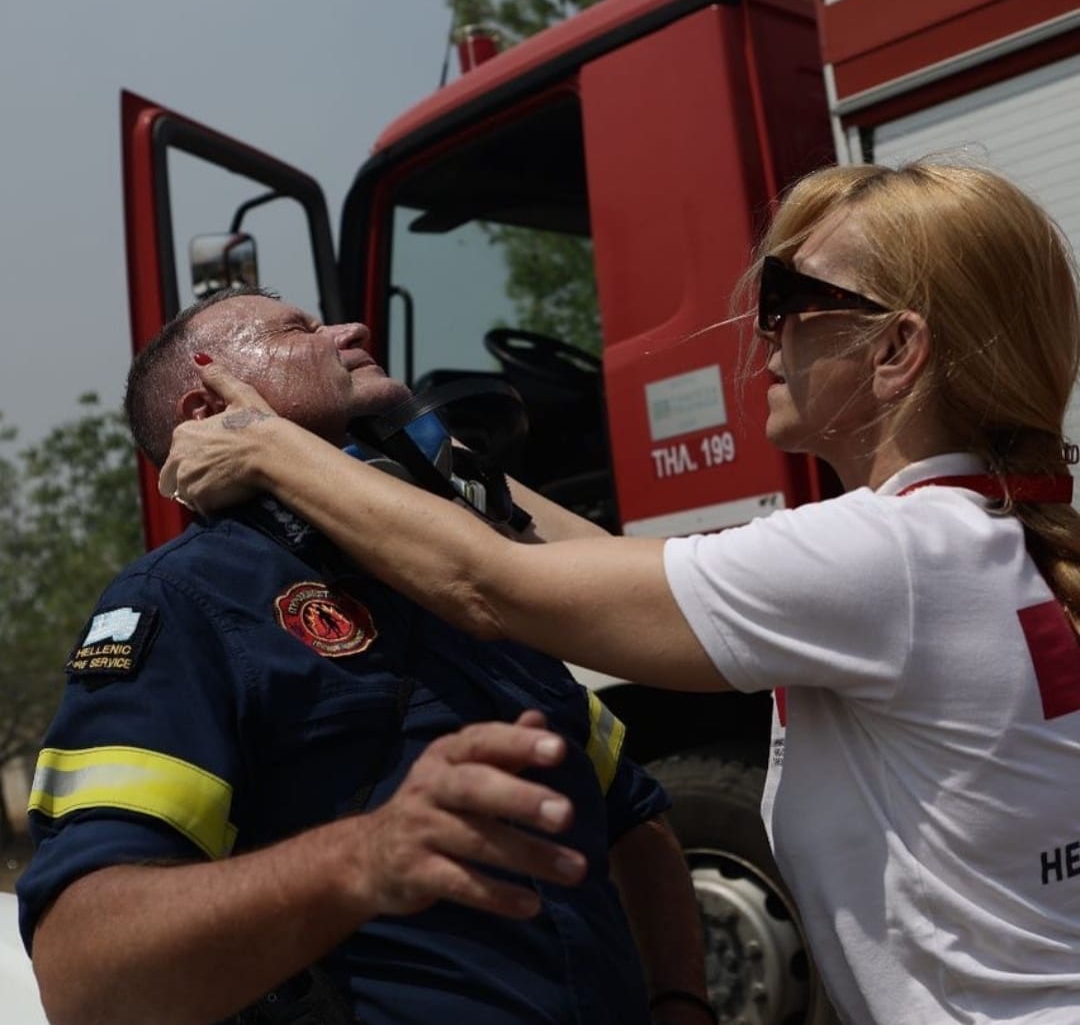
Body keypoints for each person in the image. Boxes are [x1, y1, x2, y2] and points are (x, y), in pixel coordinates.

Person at [161, 160, 1080, 1024]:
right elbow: (609, 567)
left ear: (896, 351)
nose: (764, 332)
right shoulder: (976, 531)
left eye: (789, 300)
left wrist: (265, 445)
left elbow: (491, 585)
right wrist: (425, 444)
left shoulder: (888, 558)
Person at [17, 289, 714, 1025]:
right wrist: (365, 858)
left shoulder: (458, 572)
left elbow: (633, 818)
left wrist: (680, 998)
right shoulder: (182, 599)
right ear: (207, 409)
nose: (352, 329)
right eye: (298, 328)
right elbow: (82, 977)